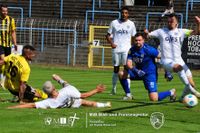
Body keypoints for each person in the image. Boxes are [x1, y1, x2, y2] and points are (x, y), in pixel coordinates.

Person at [144, 14, 200, 101]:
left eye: (172, 21)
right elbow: (148, 36)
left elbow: (196, 33)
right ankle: (194, 92)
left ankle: (182, 98)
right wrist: (146, 33)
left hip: (179, 60)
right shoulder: (161, 31)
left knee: (191, 83)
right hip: (167, 61)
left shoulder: (181, 31)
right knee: (179, 67)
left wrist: (198, 24)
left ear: (177, 23)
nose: (170, 23)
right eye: (168, 21)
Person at [119, 33, 176, 101]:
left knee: (153, 98)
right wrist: (136, 70)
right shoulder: (132, 50)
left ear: (143, 40)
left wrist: (167, 71)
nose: (138, 42)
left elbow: (163, 58)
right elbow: (128, 63)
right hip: (138, 72)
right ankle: (128, 95)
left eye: (139, 40)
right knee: (121, 74)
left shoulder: (149, 50)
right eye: (136, 40)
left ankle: (171, 92)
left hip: (150, 74)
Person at [8, 74, 111, 109]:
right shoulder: (67, 90)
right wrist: (96, 90)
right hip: (72, 101)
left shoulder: (49, 102)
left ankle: (106, 105)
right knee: (88, 102)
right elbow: (83, 95)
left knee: (87, 103)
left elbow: (31, 106)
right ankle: (106, 105)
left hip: (67, 104)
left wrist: (13, 107)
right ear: (54, 88)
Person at [106, 6, 136, 95]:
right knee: (116, 69)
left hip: (126, 50)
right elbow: (107, 35)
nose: (124, 14)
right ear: (120, 13)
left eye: (126, 13)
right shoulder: (114, 23)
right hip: (116, 49)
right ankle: (113, 89)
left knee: (127, 69)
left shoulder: (131, 24)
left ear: (128, 14)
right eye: (123, 13)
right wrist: (111, 43)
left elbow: (134, 36)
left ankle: (128, 90)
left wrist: (132, 47)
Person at [0, 4, 17, 88]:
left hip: (8, 44)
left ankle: (3, 81)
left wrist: (15, 43)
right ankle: (2, 81)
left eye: (6, 11)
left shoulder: (11, 20)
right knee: (2, 60)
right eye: (3, 11)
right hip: (0, 44)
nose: (5, 12)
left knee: (6, 64)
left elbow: (13, 32)